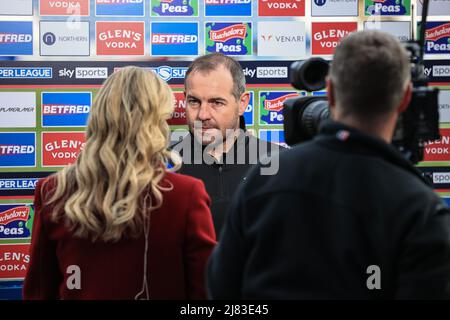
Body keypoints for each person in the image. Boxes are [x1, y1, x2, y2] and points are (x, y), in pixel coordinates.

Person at [207, 31, 450, 299]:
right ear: (405, 98)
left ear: (331, 91)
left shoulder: (265, 177)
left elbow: (221, 287)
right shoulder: (421, 208)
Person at [23, 66, 216, 300]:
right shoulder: (186, 194)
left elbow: (39, 292)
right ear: (155, 123)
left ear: (97, 116)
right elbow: (206, 294)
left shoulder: (54, 190)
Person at [172, 53, 283, 236]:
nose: (202, 115)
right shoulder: (163, 167)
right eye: (194, 101)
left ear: (242, 103)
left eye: (216, 102)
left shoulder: (278, 163)